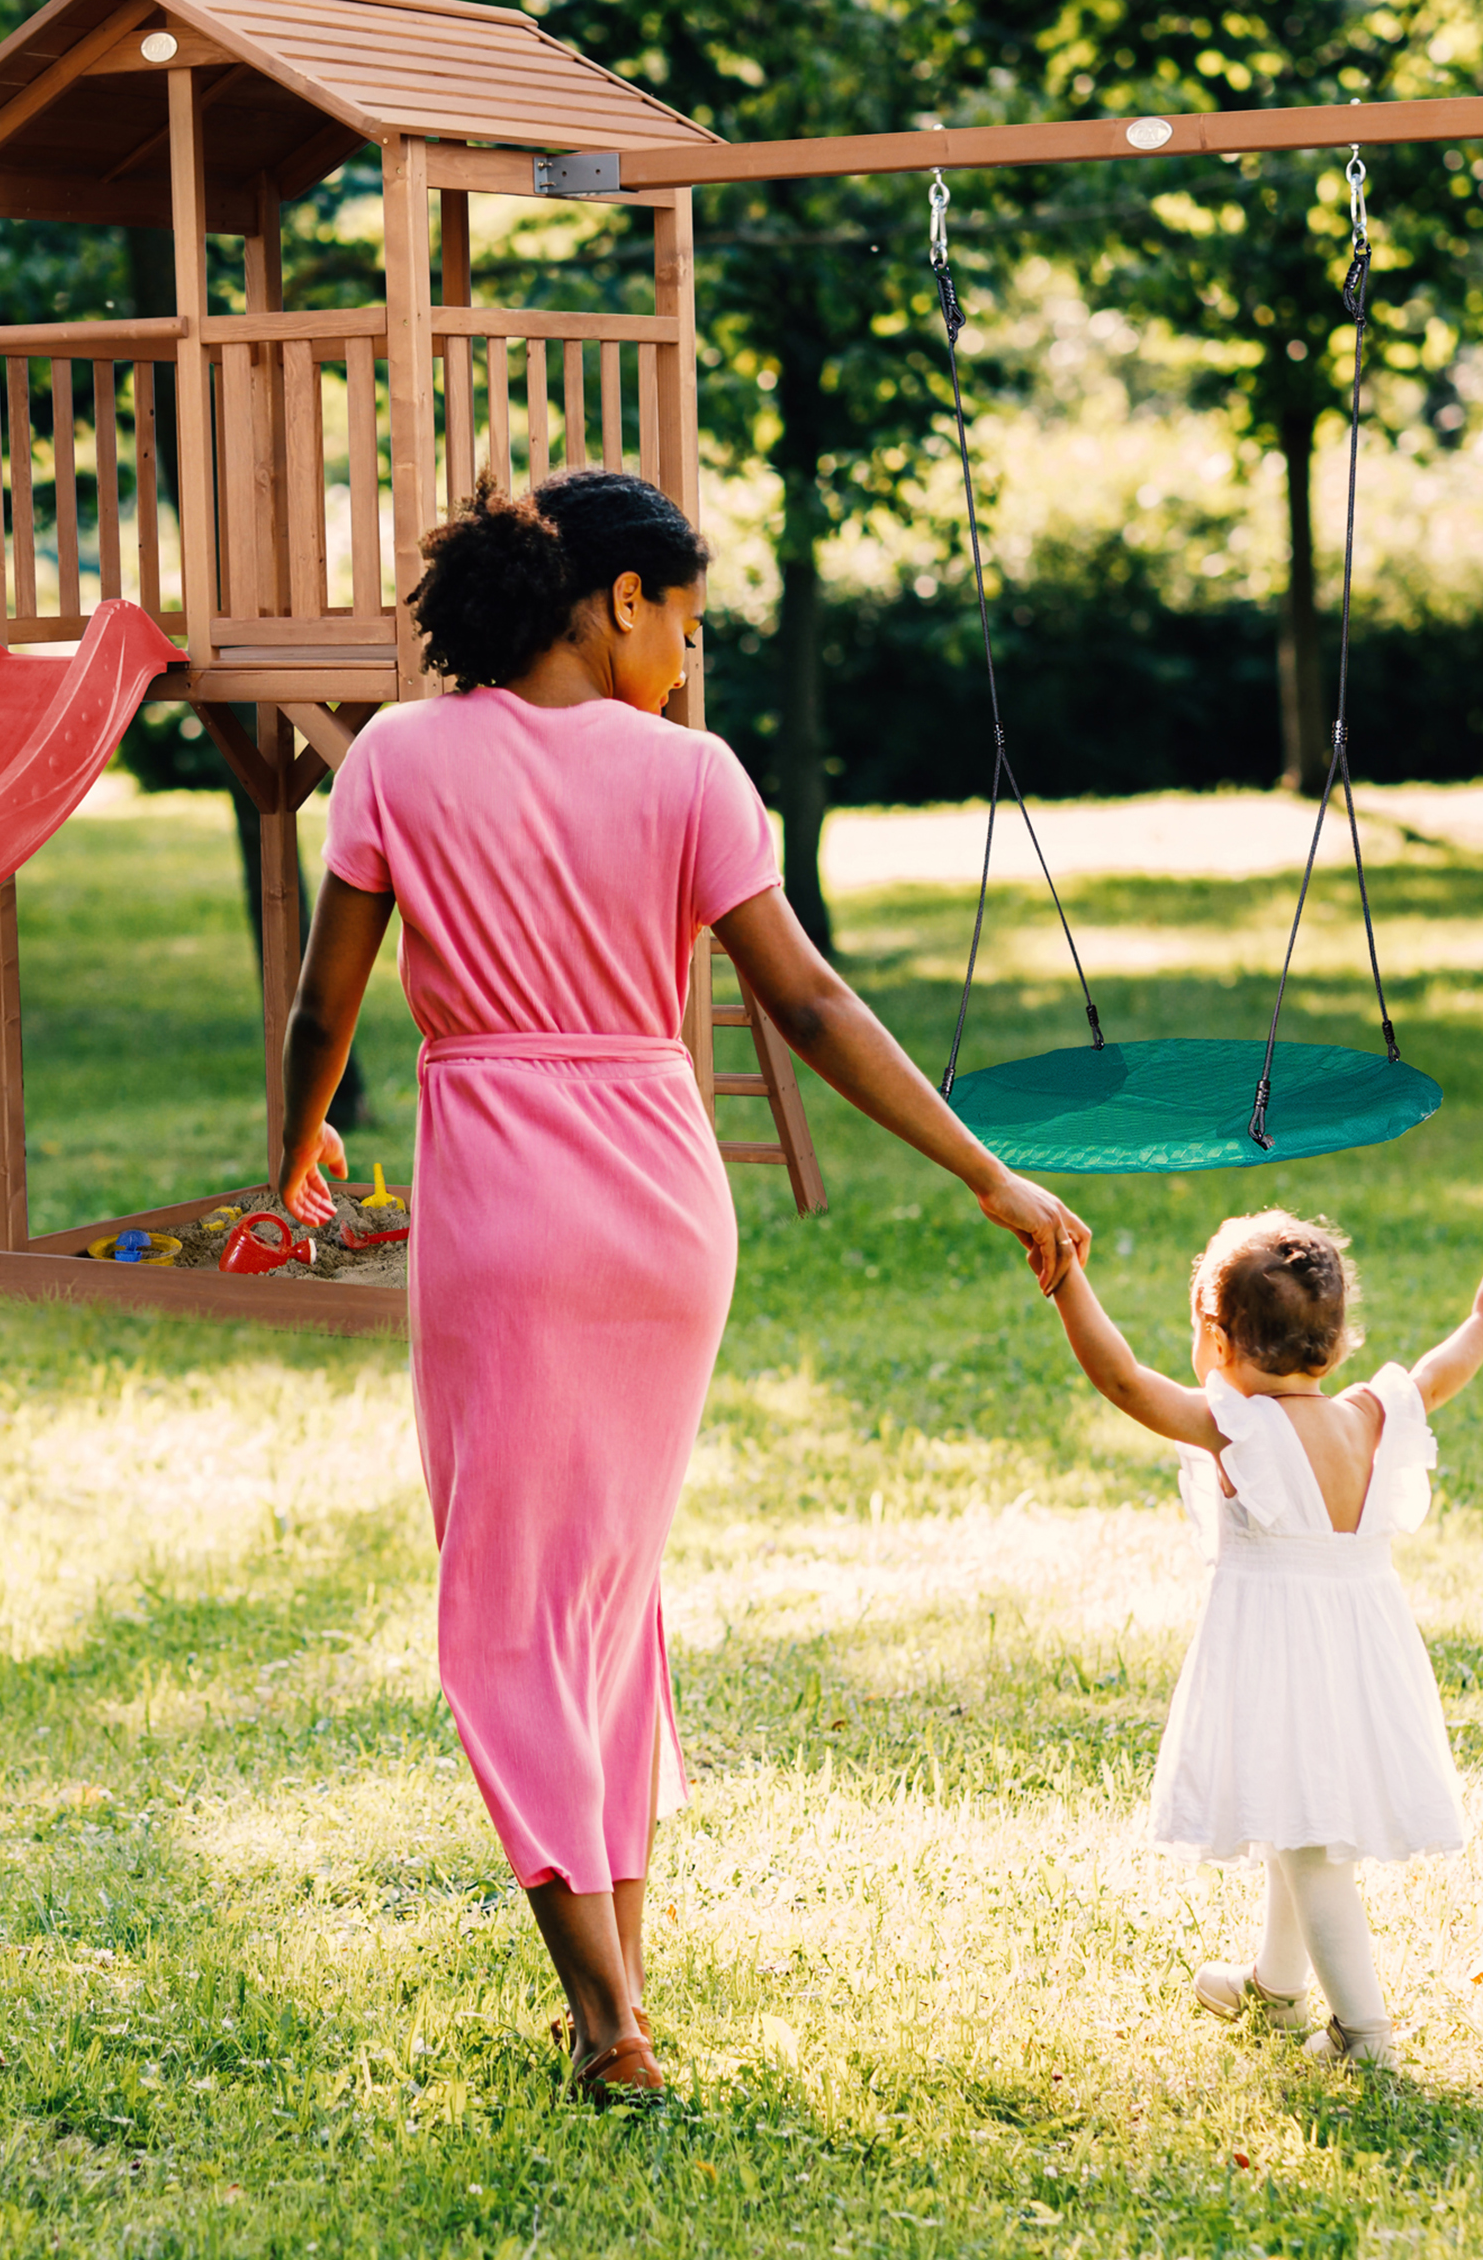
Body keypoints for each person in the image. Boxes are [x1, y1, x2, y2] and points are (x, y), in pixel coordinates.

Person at [274, 470, 1090, 2104]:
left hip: (503, 1209)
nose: (691, 664)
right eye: (688, 625)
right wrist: (983, 1167)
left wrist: (290, 1157)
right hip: (662, 1210)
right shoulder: (695, 779)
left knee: (510, 1612)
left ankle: (604, 2021)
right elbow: (808, 1004)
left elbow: (325, 1007)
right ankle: (621, 1989)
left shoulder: (396, 759)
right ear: (618, 600)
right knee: (603, 1598)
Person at [1044, 1211, 1483, 2068]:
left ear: (1218, 1340)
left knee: (1309, 1847)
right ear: (1337, 1344)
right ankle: (1275, 1989)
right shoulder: (1370, 1415)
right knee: (1291, 1814)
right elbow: (1437, 1373)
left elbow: (1122, 1380)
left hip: (1282, 1658)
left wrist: (1066, 1280)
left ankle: (1363, 2034)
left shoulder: (1238, 1429)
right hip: (1360, 1655)